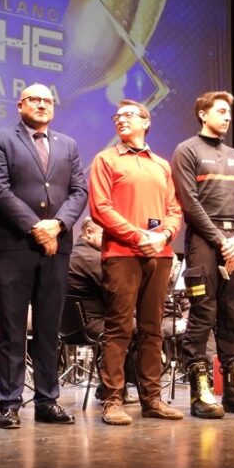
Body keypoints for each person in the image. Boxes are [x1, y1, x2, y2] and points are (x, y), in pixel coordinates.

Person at [0, 83, 88, 430]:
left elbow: (79, 191)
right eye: (35, 99)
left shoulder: (68, 145)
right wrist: (36, 227)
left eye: (47, 100)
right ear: (20, 105)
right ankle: (9, 403)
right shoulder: (0, 139)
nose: (42, 105)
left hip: (57, 246)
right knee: (12, 328)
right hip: (15, 245)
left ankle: (47, 400)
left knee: (48, 327)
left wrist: (57, 225)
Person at [89, 99, 183, 425]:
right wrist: (137, 236)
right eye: (117, 116)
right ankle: (113, 400)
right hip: (122, 253)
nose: (121, 120)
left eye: (128, 115)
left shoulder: (161, 164)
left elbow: (174, 209)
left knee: (152, 329)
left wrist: (164, 235)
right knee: (119, 328)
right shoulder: (105, 159)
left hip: (160, 252)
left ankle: (152, 399)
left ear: (146, 122)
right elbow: (100, 208)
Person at [171, 91, 234, 419]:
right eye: (221, 111)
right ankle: (200, 392)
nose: (227, 117)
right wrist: (220, 240)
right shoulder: (187, 150)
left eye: (229, 112)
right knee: (203, 314)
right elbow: (189, 202)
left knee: (231, 314)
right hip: (203, 243)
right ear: (203, 114)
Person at [67, 216, 139, 404]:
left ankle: (108, 385)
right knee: (136, 329)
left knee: (124, 324)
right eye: (105, 235)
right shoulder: (91, 258)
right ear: (89, 232)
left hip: (68, 326)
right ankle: (115, 386)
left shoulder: (72, 254)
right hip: (90, 325)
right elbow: (117, 288)